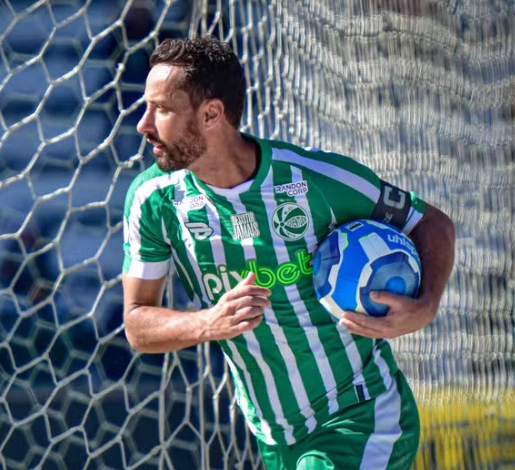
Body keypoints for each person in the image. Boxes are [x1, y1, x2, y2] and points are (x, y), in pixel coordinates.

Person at [121, 36, 455, 469]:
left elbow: (432, 223)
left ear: (211, 114)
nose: (142, 124)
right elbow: (136, 324)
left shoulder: (315, 178)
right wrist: (208, 322)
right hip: (276, 438)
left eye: (161, 110)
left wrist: (426, 304)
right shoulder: (153, 200)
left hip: (361, 416)